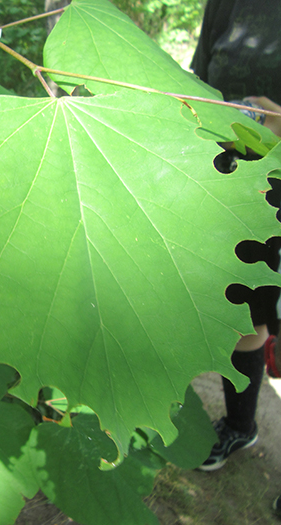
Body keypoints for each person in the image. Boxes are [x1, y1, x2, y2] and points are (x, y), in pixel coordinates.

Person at [190, 0, 281, 475]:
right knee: (220, 301)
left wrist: (279, 124)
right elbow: (197, 74)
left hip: (275, 191)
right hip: (221, 173)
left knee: (253, 311)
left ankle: (244, 427)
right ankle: (234, 422)